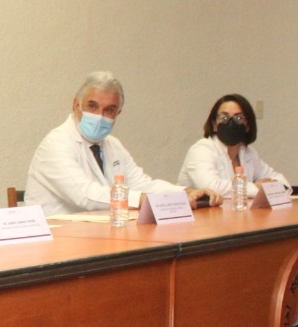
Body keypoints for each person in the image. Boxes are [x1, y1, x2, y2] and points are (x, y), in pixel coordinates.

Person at [24, 71, 214, 217]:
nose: (99, 116)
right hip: (56, 242)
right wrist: (141, 200)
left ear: (118, 114)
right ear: (76, 105)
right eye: (92, 106)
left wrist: (185, 192)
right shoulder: (56, 143)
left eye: (109, 110)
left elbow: (141, 184)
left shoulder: (112, 145)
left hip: (99, 237)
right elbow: (84, 194)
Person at [178, 94, 288, 203]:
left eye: (239, 118)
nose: (231, 123)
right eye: (224, 118)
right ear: (214, 125)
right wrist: (257, 188)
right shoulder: (201, 150)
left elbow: (282, 181)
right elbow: (212, 187)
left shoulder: (248, 153)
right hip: (201, 213)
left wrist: (271, 186)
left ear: (247, 126)